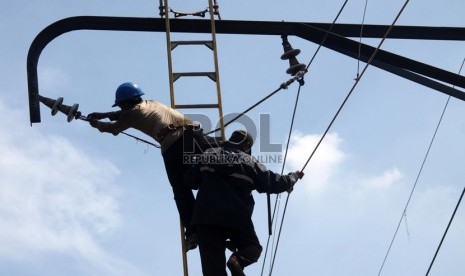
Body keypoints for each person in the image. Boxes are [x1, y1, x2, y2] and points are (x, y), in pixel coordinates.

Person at [87, 82, 219, 250]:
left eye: (120, 105)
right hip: (193, 136)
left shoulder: (132, 113)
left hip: (173, 146)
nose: (120, 108)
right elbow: (123, 114)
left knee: (180, 189)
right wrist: (104, 114)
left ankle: (194, 232)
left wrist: (97, 124)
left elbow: (113, 128)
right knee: (214, 166)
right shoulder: (152, 103)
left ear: (126, 103)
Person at [184, 130, 303, 276]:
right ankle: (237, 260)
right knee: (253, 248)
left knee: (213, 271)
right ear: (247, 146)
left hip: (206, 219)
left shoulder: (208, 154)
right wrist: (292, 177)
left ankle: (233, 254)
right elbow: (272, 182)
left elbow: (190, 181)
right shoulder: (249, 162)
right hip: (236, 219)